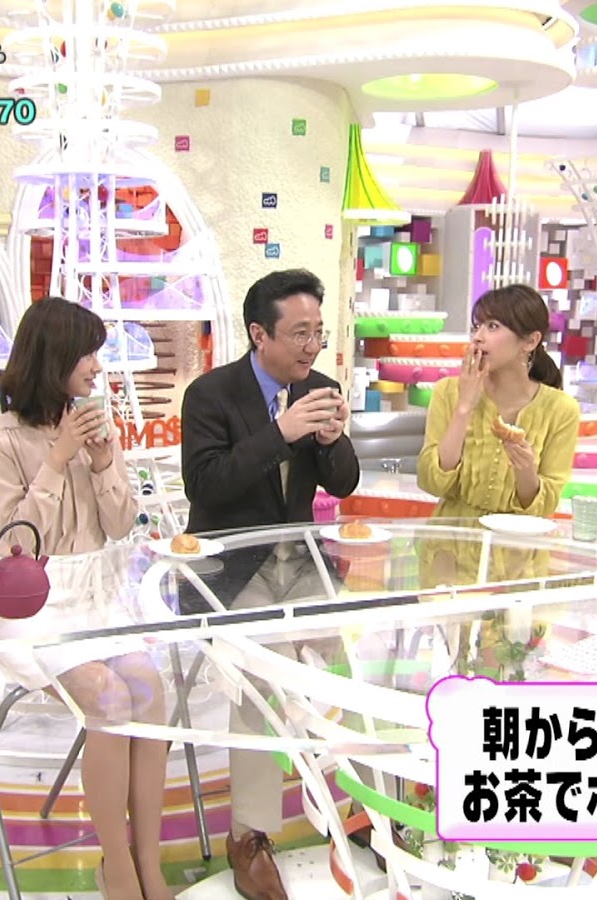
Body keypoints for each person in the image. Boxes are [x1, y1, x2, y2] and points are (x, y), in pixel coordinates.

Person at [0, 296, 173, 900]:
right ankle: (117, 864)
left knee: (149, 690)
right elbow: (18, 544)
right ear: (54, 356)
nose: (96, 366)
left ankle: (149, 861)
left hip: (99, 595)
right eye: (87, 354)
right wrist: (57, 460)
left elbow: (121, 525)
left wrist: (105, 462)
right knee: (110, 697)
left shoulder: (93, 424)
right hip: (33, 605)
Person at [179, 268, 360, 900]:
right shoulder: (210, 395)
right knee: (262, 674)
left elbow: (343, 482)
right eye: (299, 333)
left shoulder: (321, 388)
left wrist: (332, 441)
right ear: (260, 334)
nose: (312, 346)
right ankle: (250, 835)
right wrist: (279, 435)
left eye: (318, 332)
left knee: (357, 658)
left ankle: (364, 803)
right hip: (233, 574)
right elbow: (207, 486)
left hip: (302, 564)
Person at [418, 283, 580, 519]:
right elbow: (432, 483)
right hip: (451, 536)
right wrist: (464, 407)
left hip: (518, 540)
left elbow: (544, 509)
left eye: (492, 326)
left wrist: (525, 470)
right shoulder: (447, 392)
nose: (478, 337)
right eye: (476, 327)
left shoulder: (561, 409)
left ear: (530, 341)